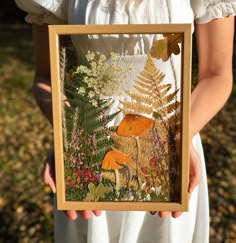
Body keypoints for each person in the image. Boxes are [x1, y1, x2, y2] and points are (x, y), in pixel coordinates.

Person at [15, 1, 235, 242]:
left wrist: (181, 140)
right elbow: (46, 77)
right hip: (92, 155)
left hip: (168, 155)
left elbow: (217, 74)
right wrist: (67, 137)